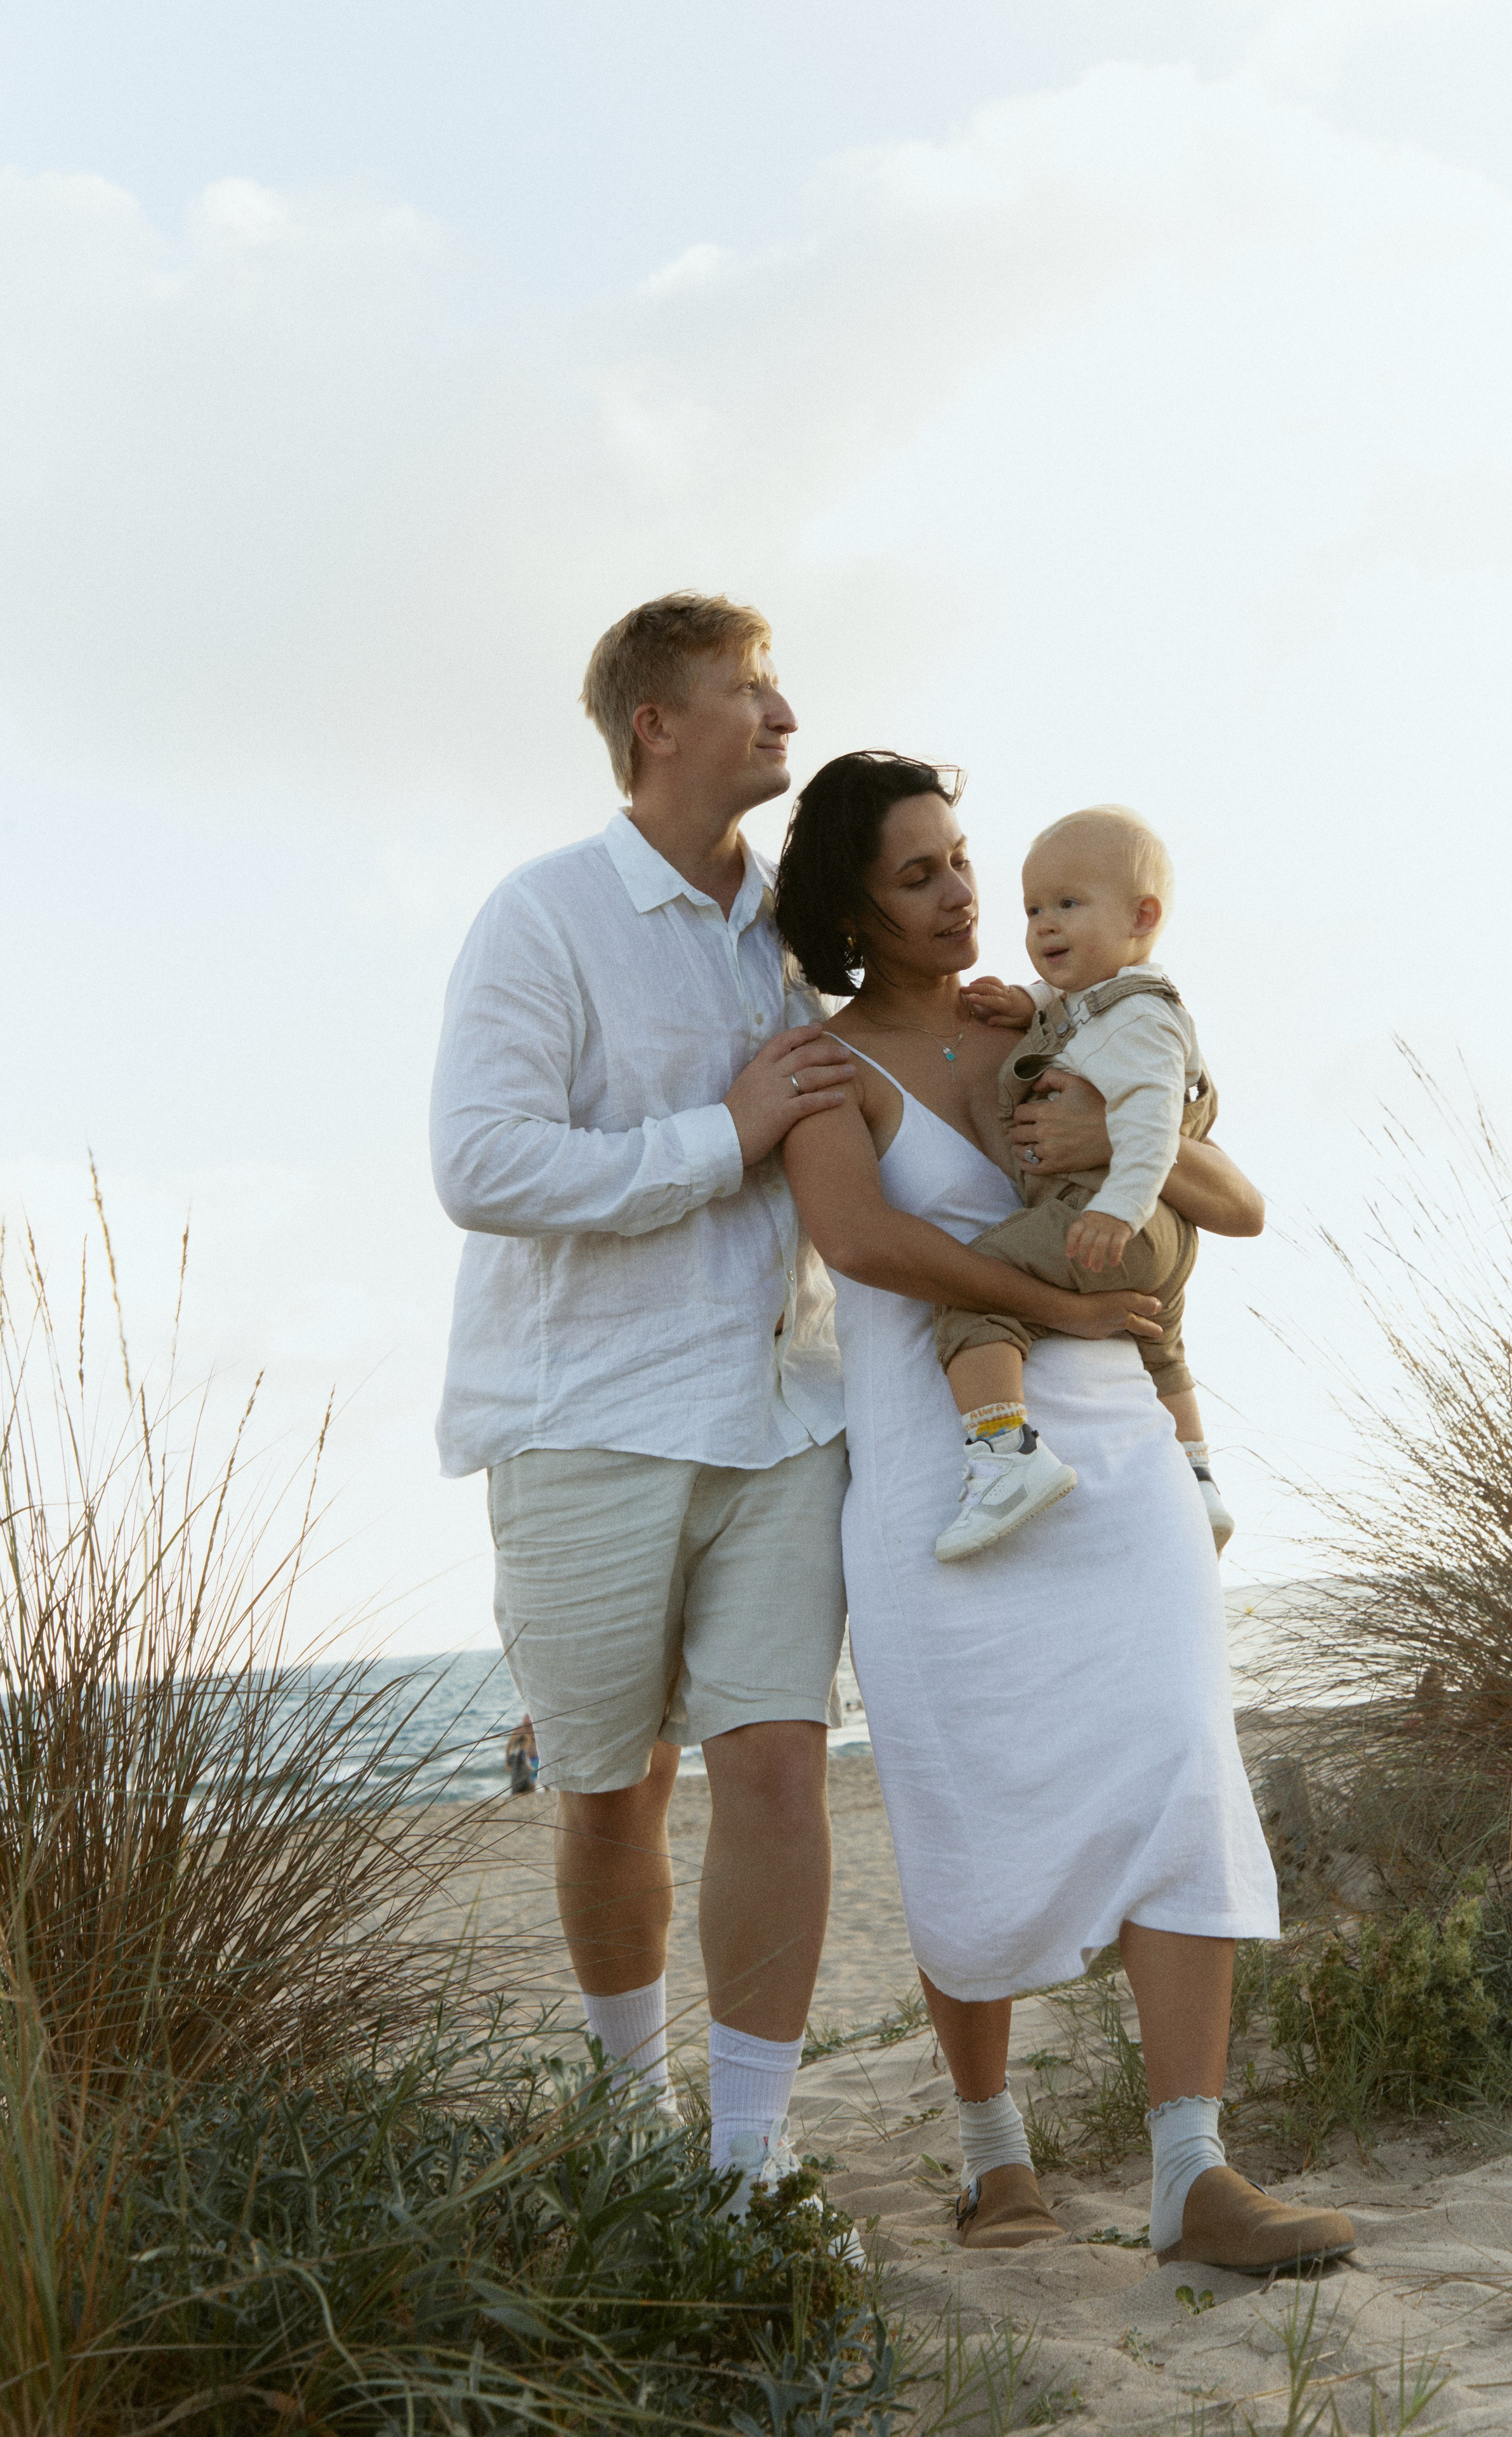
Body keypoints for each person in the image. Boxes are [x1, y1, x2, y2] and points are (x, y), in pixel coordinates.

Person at [773, 751, 1356, 2271]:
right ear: (850, 904)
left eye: (962, 859)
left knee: (1177, 1761)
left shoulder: (1055, 1022)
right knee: (959, 1793)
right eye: (919, 874)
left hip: (1114, 1457)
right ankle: (990, 2152)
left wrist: (1105, 1143)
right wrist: (1055, 1302)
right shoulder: (823, 1063)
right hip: (941, 1465)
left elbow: (1229, 1201)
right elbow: (861, 1239)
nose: (964, 894)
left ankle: (1188, 2166)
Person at [430, 592, 858, 2206]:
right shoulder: (539, 914)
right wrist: (721, 1135)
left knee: (775, 1764)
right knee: (611, 1787)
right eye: (750, 689)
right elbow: (479, 1164)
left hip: (782, 1412)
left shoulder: (802, 931)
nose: (783, 712)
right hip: (582, 1415)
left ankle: (748, 2162)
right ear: (650, 728)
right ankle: (632, 2115)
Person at [930, 802, 1235, 1562]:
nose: (1042, 925)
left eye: (1068, 904)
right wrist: (1025, 1001)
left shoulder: (1143, 1022)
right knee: (1161, 1345)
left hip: (1109, 1214)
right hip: (1162, 1236)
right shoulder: (1104, 1002)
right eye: (1033, 908)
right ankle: (1196, 1478)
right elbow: (1074, 1009)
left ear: (1142, 914)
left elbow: (1152, 1125)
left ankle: (1004, 1456)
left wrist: (1116, 1210)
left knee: (973, 1284)